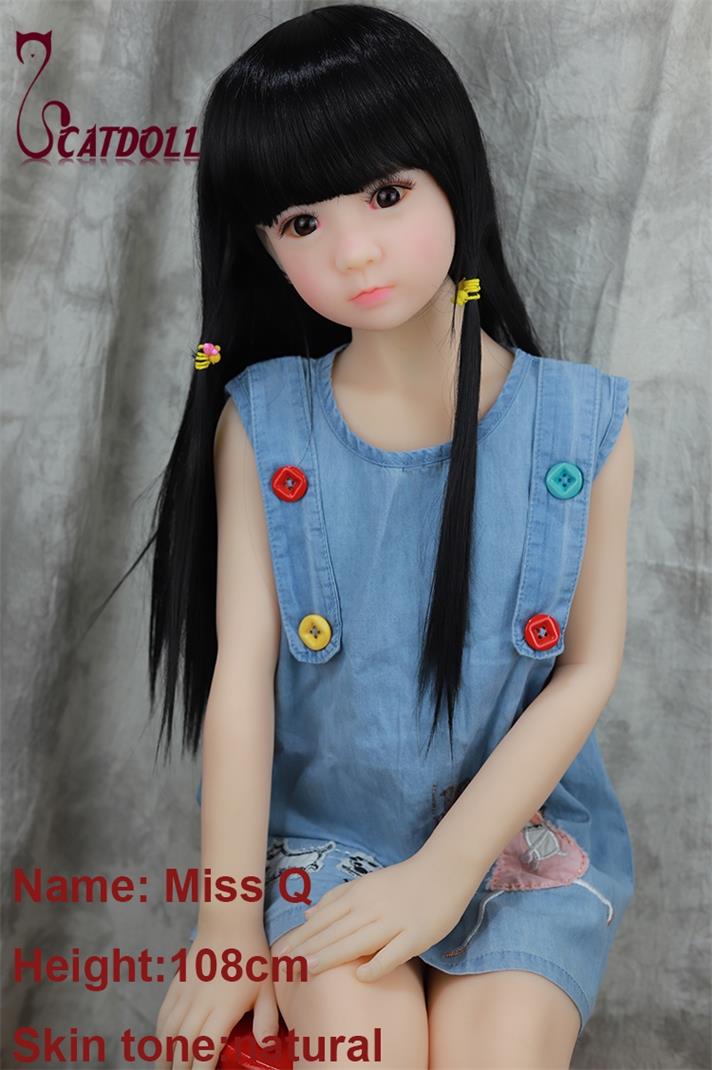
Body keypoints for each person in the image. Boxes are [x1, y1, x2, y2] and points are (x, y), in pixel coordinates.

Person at [131, 5, 636, 1067]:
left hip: (520, 848)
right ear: (263, 246)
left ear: (454, 176)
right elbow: (241, 680)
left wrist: (449, 870)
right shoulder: (264, 423)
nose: (354, 248)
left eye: (387, 194)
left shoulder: (581, 423)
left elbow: (586, 669)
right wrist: (226, 924)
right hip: (329, 847)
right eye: (300, 223)